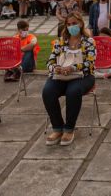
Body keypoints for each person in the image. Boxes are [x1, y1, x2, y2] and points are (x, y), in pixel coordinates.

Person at [42, 12, 96, 146]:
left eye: (74, 23)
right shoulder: (60, 41)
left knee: (73, 92)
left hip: (83, 76)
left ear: (81, 23)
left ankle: (69, 129)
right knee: (47, 91)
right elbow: (50, 61)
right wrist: (55, 68)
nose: (72, 26)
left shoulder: (89, 41)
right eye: (69, 24)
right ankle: (57, 128)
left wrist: (73, 68)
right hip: (61, 75)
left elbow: (90, 63)